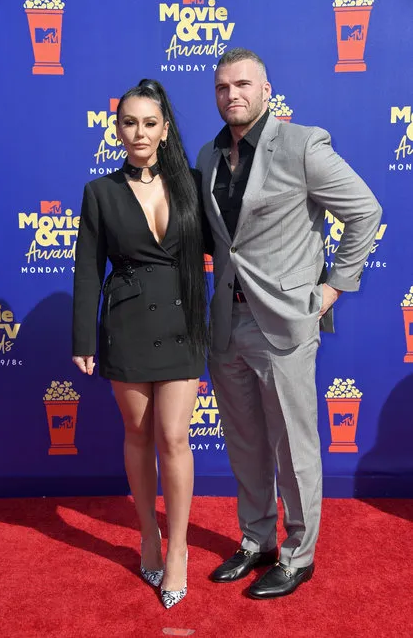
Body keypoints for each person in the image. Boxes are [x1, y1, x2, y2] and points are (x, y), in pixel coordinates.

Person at [196, 48, 382, 599]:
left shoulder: (302, 145)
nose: (234, 94)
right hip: (226, 323)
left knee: (294, 447)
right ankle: (258, 540)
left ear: (266, 89)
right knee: (245, 442)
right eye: (223, 86)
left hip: (283, 324)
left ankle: (300, 556)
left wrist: (330, 290)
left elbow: (365, 210)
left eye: (244, 84)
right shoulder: (207, 156)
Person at [72, 79, 209, 609]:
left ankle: (177, 550)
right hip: (127, 325)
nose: (139, 132)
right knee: (138, 432)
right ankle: (148, 537)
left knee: (174, 436)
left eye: (150, 122)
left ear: (165, 129)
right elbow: (87, 271)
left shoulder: (193, 184)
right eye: (129, 122)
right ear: (117, 128)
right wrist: (84, 335)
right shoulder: (100, 192)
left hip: (182, 322)